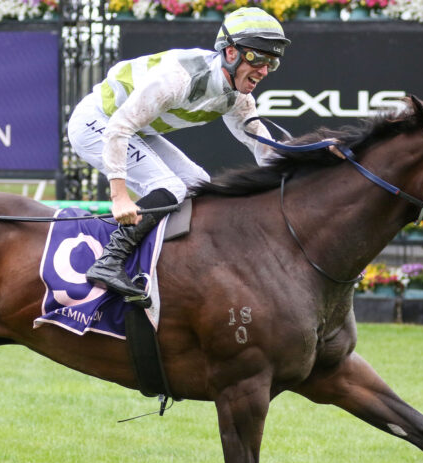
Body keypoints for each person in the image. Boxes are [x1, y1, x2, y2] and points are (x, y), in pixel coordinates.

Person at [66, 7, 290, 299]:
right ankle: (109, 261)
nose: (264, 70)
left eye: (272, 62)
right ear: (231, 53)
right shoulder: (177, 78)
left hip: (134, 130)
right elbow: (118, 129)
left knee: (198, 184)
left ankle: (164, 263)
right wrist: (119, 196)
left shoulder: (238, 98)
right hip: (98, 123)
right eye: (258, 58)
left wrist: (312, 169)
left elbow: (265, 150)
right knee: (170, 187)